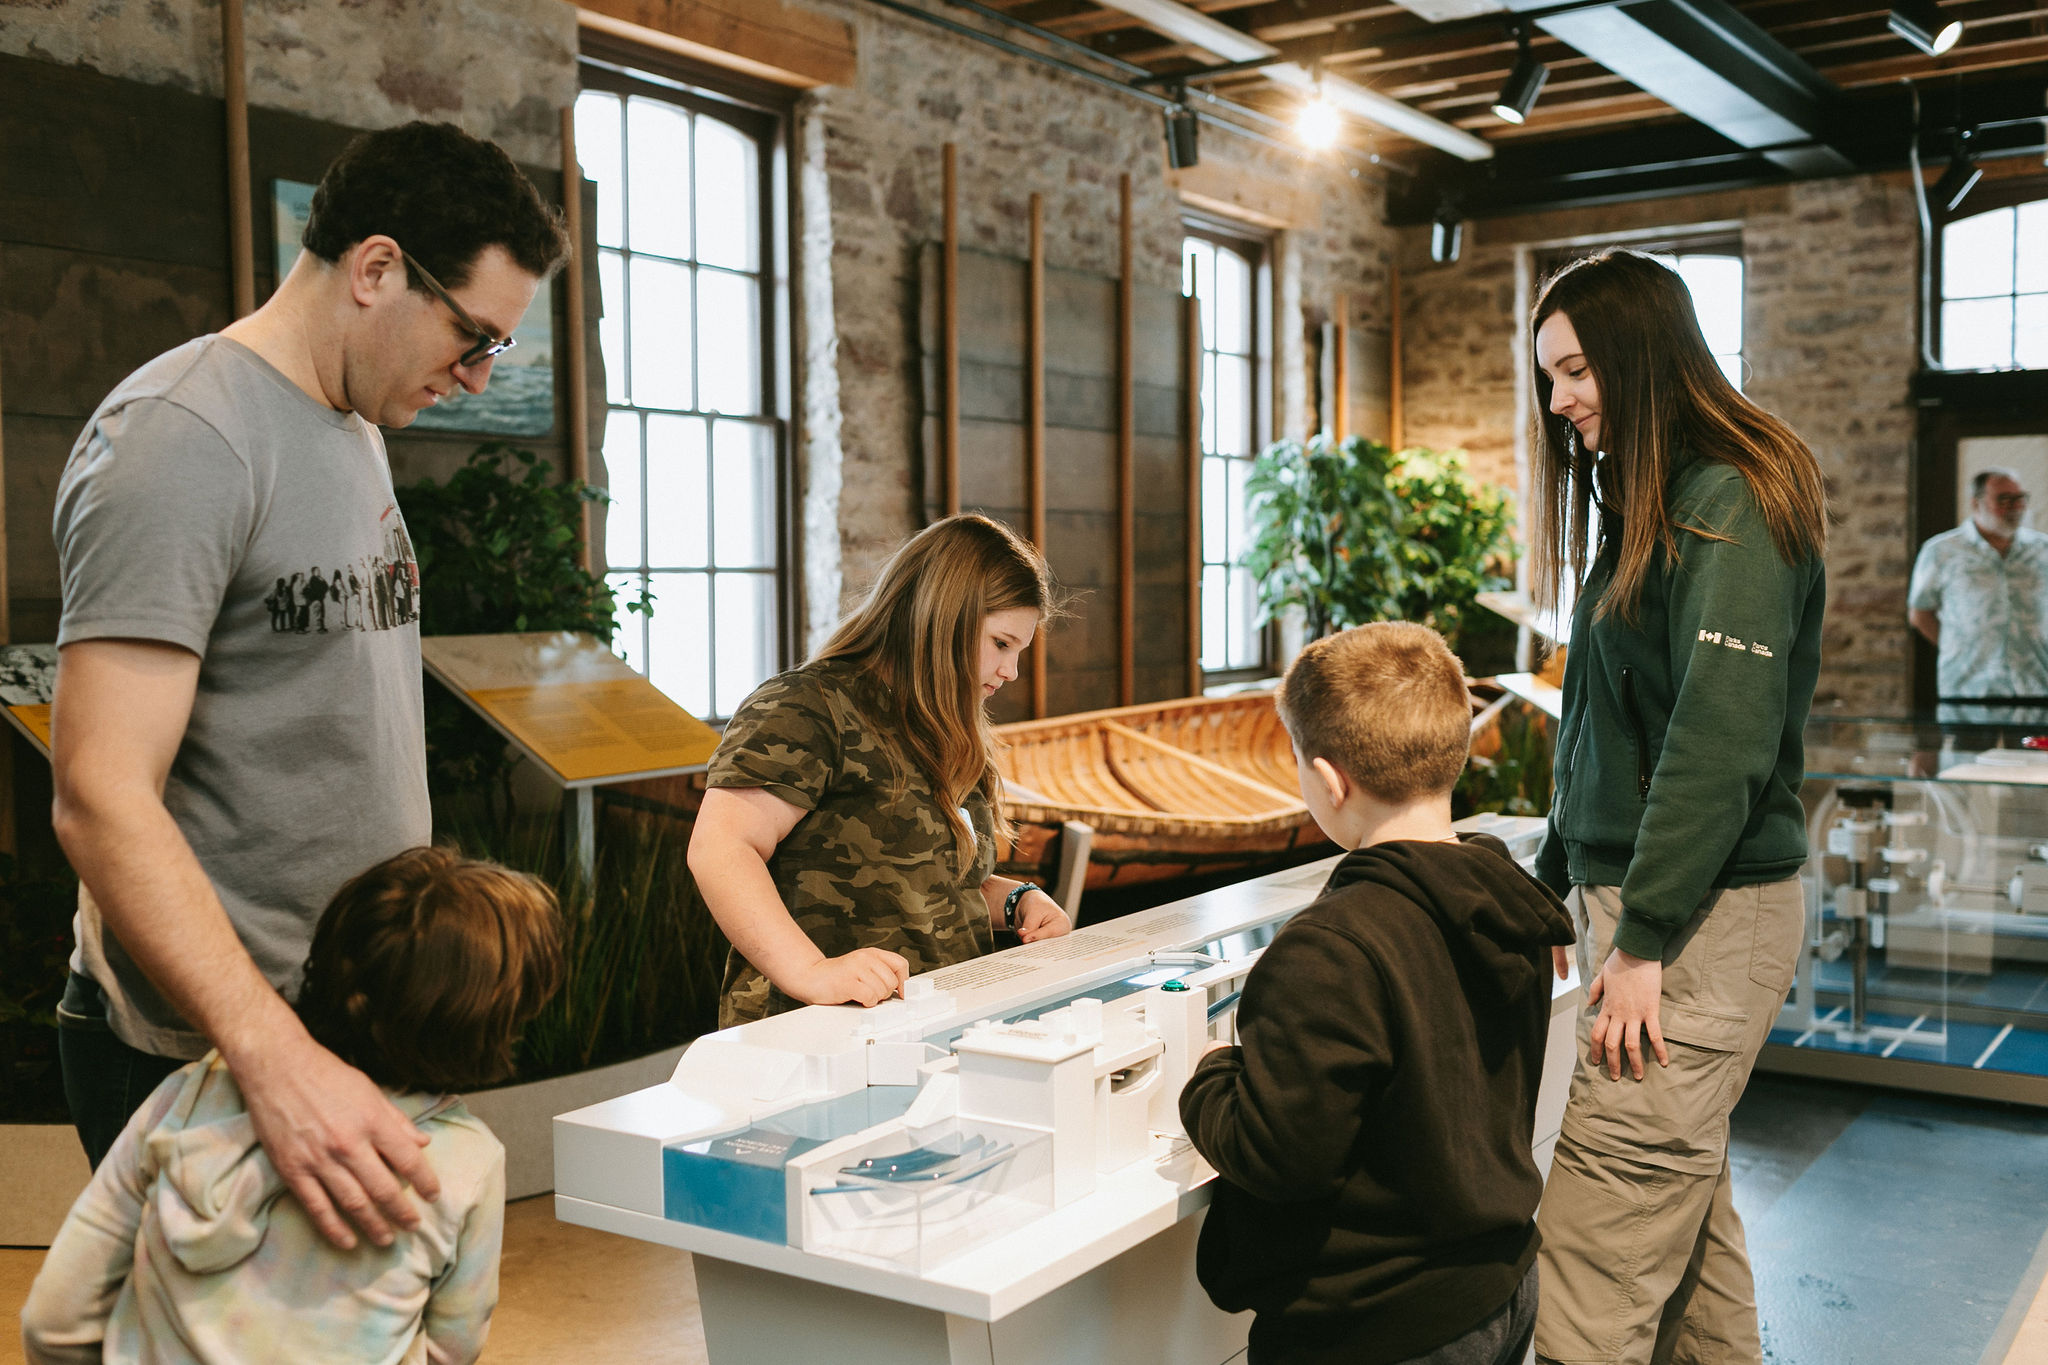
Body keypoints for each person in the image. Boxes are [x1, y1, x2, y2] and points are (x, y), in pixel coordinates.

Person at [50, 120, 568, 1252]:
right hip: (213, 1050)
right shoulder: (183, 436)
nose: (477, 378)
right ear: (377, 270)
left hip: (344, 1019)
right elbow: (99, 793)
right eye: (473, 336)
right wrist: (271, 1057)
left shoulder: (350, 419)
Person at [1527, 249, 1827, 1365]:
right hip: (1646, 912)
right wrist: (1550, 884)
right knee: (1684, 1218)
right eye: (1548, 378)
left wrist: (1642, 935)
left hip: (1694, 924)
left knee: (1590, 1248)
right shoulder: (1652, 495)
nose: (1557, 402)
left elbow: (1718, 742)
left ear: (1636, 352)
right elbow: (1599, 721)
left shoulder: (1730, 498)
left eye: (1571, 371)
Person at [1179, 621, 1575, 1365]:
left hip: (1379, 1327)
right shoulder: (1505, 898)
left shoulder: (1327, 951)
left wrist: (1211, 1074)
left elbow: (1278, 1155)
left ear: (1330, 781)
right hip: (1499, 1286)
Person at [22, 846, 564, 1365]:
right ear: (491, 1030)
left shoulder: (189, 1094)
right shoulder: (467, 1163)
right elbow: (452, 1348)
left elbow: (53, 1321)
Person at [689, 513, 1072, 1026]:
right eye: (1002, 644)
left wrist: (1015, 900)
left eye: (1020, 651)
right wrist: (812, 970)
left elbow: (928, 877)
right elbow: (720, 849)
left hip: (933, 1024)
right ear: (945, 616)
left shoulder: (949, 727)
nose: (1011, 672)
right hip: (813, 1033)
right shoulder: (809, 704)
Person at [1908, 466, 2048, 701]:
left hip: (2035, 686)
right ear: (1976, 503)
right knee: (1967, 740)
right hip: (1968, 688)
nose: (2014, 507)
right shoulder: (1941, 551)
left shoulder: (2043, 549)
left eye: (2019, 499)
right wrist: (1960, 649)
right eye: (2003, 499)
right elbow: (1920, 614)